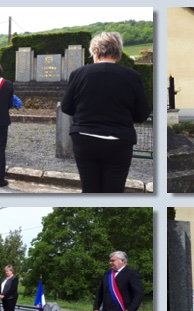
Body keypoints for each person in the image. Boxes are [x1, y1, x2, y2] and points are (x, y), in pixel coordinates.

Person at [60, 32, 151, 193]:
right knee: (114, 191)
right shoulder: (133, 77)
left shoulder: (78, 74)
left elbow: (66, 107)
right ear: (118, 52)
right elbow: (142, 114)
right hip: (119, 140)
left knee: (89, 189)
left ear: (95, 51)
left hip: (85, 137)